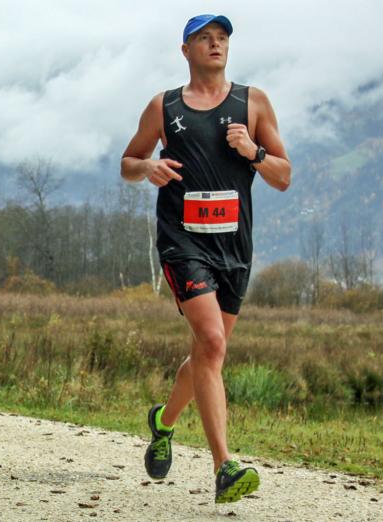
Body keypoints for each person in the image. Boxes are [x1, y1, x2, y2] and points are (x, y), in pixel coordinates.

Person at [120, 14, 291, 503]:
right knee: (213, 343)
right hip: (182, 241)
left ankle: (164, 421)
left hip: (234, 247)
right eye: (205, 39)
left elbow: (283, 175)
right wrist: (148, 166)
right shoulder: (165, 105)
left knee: (205, 355)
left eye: (222, 39)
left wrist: (253, 152)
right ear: (186, 49)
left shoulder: (252, 103)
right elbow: (128, 162)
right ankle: (225, 468)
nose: (215, 45)